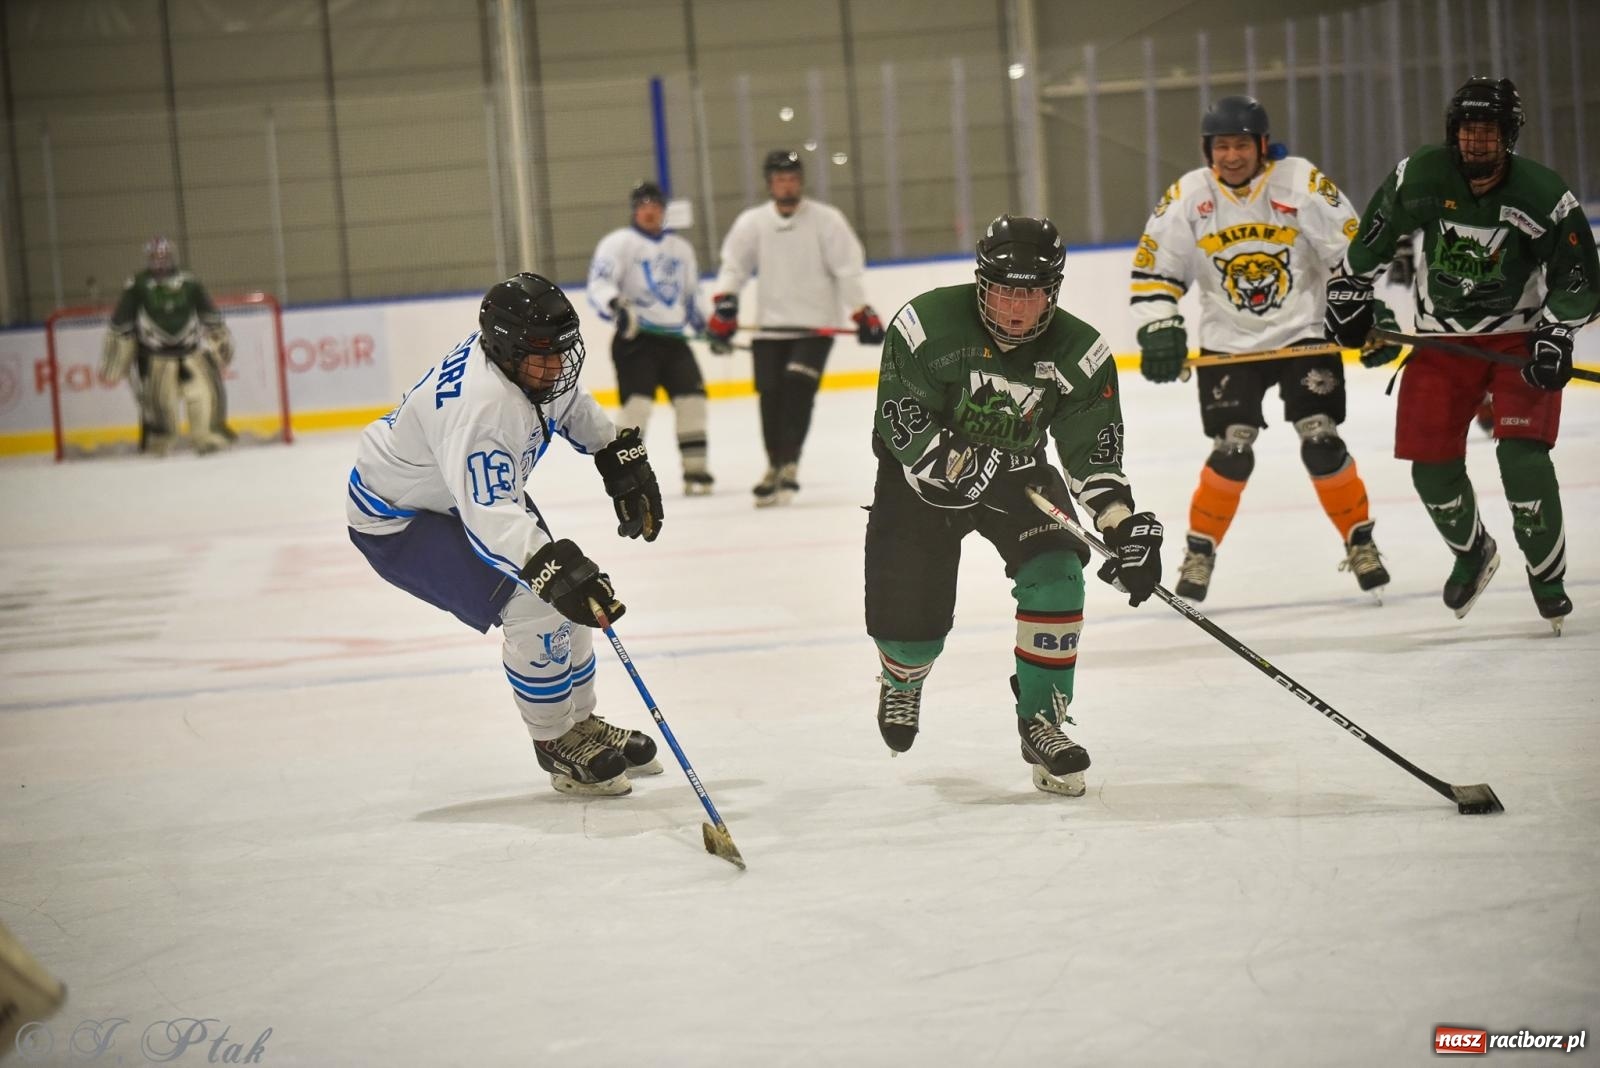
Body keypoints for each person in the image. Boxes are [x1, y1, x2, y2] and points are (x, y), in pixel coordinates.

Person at [865, 214, 1166, 797]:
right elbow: (899, 421)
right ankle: (902, 675)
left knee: (1058, 573)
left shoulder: (1082, 353)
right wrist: (960, 465)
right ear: (982, 283)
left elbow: (1093, 456)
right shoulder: (925, 324)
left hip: (1018, 474)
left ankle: (1041, 721)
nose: (1015, 307)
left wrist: (1122, 526)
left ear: (1052, 290)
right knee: (911, 631)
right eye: (1004, 288)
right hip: (917, 481)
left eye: (1030, 292)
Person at [346, 272, 669, 796]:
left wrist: (613, 453)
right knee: (538, 601)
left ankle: (580, 722)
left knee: (572, 589)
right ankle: (553, 740)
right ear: (505, 349)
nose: (558, 364)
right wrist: (547, 570)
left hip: (453, 492)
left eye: (564, 350)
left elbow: (565, 402)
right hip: (400, 519)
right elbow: (488, 515)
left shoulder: (526, 365)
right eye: (544, 354)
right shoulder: (483, 412)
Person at [1328, 76, 1600, 632]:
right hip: (1441, 339)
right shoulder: (1422, 174)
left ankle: (1547, 576)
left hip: (1516, 338)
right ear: (1453, 133)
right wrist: (1354, 292)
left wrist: (1555, 332)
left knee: (1522, 459)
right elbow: (1374, 240)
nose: (1476, 143)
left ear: (1510, 136)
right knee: (1430, 465)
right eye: (1468, 131)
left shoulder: (1544, 194)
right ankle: (1473, 552)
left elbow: (1580, 279)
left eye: (1489, 132)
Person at [1130, 96, 1396, 603]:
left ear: (1261, 145)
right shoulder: (1188, 195)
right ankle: (1201, 552)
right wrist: (1159, 326)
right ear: (1209, 149)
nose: (1231, 156)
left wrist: (1366, 310)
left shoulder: (1299, 181)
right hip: (1228, 342)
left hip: (1303, 334)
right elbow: (1156, 270)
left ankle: (1361, 543)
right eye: (1222, 146)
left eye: (1241, 145)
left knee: (1321, 441)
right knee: (1232, 451)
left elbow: (1350, 254)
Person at [708, 149, 886, 505]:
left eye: (791, 179)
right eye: (779, 180)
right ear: (770, 184)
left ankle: (790, 463)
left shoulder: (827, 220)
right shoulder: (753, 222)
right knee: (771, 396)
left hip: (814, 328)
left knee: (796, 388)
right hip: (770, 329)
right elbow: (734, 266)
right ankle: (774, 465)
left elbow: (848, 268)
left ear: (800, 182)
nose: (786, 186)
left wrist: (860, 311)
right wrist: (725, 302)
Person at [587, 181, 715, 496]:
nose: (649, 210)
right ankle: (624, 473)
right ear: (635, 209)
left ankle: (696, 472)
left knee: (693, 402)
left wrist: (709, 327)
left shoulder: (681, 249)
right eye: (643, 205)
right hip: (636, 340)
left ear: (663, 210)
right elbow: (600, 284)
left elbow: (691, 296)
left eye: (655, 205)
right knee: (636, 409)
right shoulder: (619, 243)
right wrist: (617, 305)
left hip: (674, 341)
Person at [101, 236, 235, 455]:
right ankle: (159, 442)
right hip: (155, 358)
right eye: (155, 257)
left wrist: (218, 337)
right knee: (160, 405)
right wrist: (118, 352)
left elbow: (210, 315)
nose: (160, 262)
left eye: (164, 256)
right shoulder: (137, 284)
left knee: (204, 397)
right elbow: (120, 323)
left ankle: (207, 436)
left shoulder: (189, 282)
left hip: (192, 354)